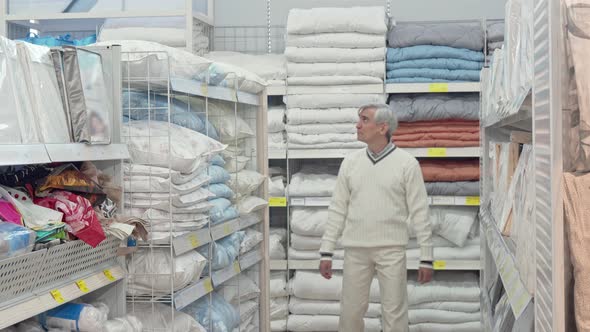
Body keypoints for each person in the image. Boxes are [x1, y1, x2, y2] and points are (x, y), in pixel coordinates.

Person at [319, 104, 434, 332]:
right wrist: (326, 251)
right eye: (359, 119)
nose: (357, 125)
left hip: (392, 251)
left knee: (395, 314)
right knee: (350, 313)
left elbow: (420, 211)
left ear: (382, 128)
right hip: (356, 250)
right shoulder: (350, 163)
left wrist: (426, 257)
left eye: (364, 120)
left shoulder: (407, 164)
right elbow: (337, 209)